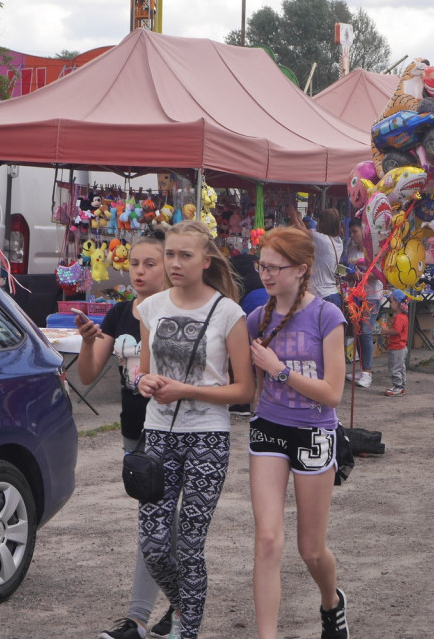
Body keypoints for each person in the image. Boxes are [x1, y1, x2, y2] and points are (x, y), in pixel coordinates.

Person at [134, 220, 254, 639]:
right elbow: (144, 374)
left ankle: (187, 630)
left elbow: (245, 389)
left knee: (188, 546)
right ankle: (184, 604)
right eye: (170, 254)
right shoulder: (150, 308)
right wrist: (141, 381)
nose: (175, 263)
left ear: (207, 260)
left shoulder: (228, 313)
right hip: (157, 435)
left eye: (185, 255)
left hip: (207, 437)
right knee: (152, 545)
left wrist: (188, 390)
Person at [246, 226, 349, 639]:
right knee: (268, 539)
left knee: (311, 550)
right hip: (268, 430)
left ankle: (332, 602)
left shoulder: (327, 316)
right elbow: (244, 387)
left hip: (313, 432)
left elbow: (333, 394)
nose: (266, 274)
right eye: (262, 266)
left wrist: (280, 370)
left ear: (301, 269)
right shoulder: (256, 318)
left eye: (274, 267)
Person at [77, 235, 178, 639]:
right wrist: (88, 342)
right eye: (134, 263)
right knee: (158, 528)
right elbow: (87, 375)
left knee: (156, 527)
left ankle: (138, 619)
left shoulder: (178, 310)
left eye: (150, 263)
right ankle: (177, 606)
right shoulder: (119, 313)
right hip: (134, 436)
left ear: (169, 266)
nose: (139, 271)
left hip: (173, 432)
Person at [342, 219, 381, 388]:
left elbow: (380, 275)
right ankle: (362, 368)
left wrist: (363, 275)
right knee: (357, 332)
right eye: (350, 232)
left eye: (355, 232)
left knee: (365, 331)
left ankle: (367, 372)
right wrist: (350, 275)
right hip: (354, 297)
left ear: (363, 232)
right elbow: (347, 274)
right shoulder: (350, 251)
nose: (352, 235)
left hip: (371, 296)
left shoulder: (374, 251)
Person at [288, 207, 344, 309]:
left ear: (322, 223)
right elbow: (305, 231)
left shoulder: (323, 240)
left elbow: (300, 231)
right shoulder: (338, 241)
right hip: (333, 295)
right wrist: (299, 219)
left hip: (321, 295)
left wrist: (292, 215)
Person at [382, 289, 409, 396]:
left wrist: (386, 331)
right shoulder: (404, 317)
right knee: (401, 367)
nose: (390, 304)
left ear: (397, 303)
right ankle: (401, 385)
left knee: (395, 367)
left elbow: (396, 330)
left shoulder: (399, 317)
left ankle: (398, 386)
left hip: (396, 347)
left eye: (392, 301)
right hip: (402, 346)